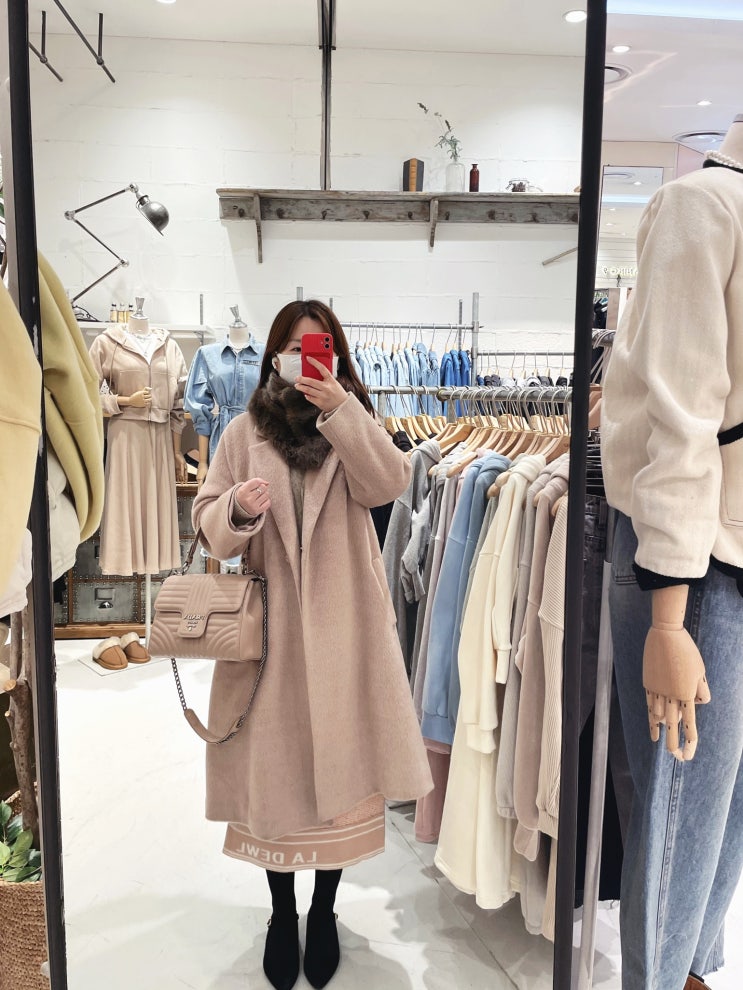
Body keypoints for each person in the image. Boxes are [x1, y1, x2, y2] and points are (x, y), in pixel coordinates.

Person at [192, 299, 433, 990]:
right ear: (274, 356)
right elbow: (208, 522)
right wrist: (237, 509)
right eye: (295, 349)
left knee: (341, 778)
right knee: (276, 779)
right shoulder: (243, 430)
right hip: (268, 635)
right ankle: (281, 912)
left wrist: (342, 411)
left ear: (336, 356)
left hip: (346, 631)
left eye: (318, 348)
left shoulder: (353, 423)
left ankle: (323, 910)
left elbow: (390, 483)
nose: (305, 360)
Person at [602, 117, 743, 990]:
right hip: (693, 564)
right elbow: (681, 415)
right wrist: (667, 614)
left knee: (729, 804)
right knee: (681, 805)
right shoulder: (701, 205)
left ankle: (691, 972)